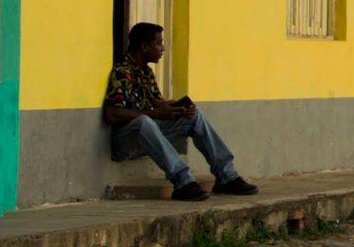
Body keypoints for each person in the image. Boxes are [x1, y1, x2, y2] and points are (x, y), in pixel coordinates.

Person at [104, 22, 257, 201]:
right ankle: (182, 181)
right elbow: (112, 113)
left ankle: (227, 176)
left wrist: (176, 108)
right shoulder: (122, 72)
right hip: (125, 142)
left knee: (195, 116)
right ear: (145, 47)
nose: (163, 49)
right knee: (144, 122)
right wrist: (155, 114)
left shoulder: (146, 72)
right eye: (159, 43)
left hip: (148, 137)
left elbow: (157, 103)